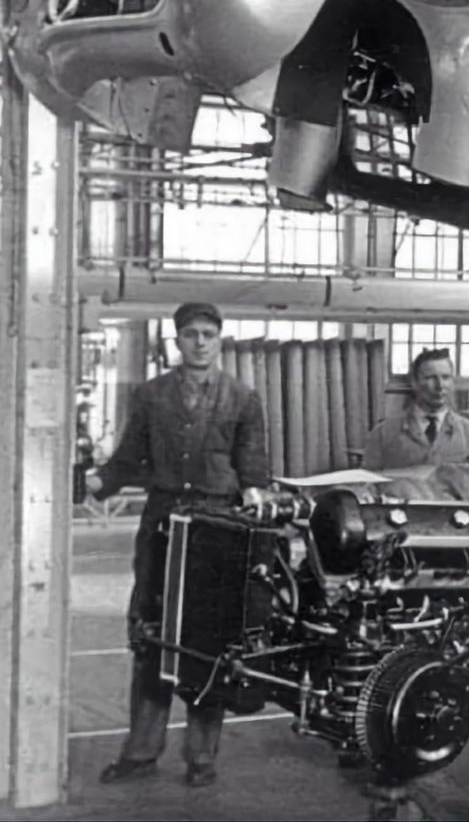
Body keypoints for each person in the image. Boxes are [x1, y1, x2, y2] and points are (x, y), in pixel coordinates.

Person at [86, 303, 268, 789]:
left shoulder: (243, 399)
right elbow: (128, 458)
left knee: (209, 642)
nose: (200, 342)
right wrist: (95, 482)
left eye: (208, 333)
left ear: (220, 340)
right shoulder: (150, 395)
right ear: (177, 341)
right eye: (191, 334)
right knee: (151, 635)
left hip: (218, 531)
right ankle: (141, 752)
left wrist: (255, 498)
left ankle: (202, 758)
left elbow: (253, 469)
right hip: (162, 526)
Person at [363, 347, 469, 474]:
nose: (440, 386)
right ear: (414, 382)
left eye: (446, 377)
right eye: (430, 378)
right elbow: (366, 482)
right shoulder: (383, 434)